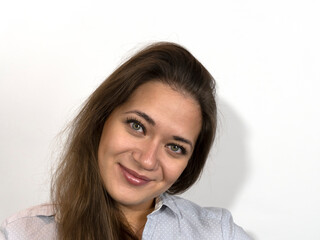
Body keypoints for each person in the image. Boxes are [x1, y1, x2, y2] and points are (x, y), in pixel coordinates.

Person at [0, 42, 251, 240]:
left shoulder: (217, 234)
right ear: (102, 118)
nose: (147, 159)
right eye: (137, 126)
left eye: (175, 147)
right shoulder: (20, 233)